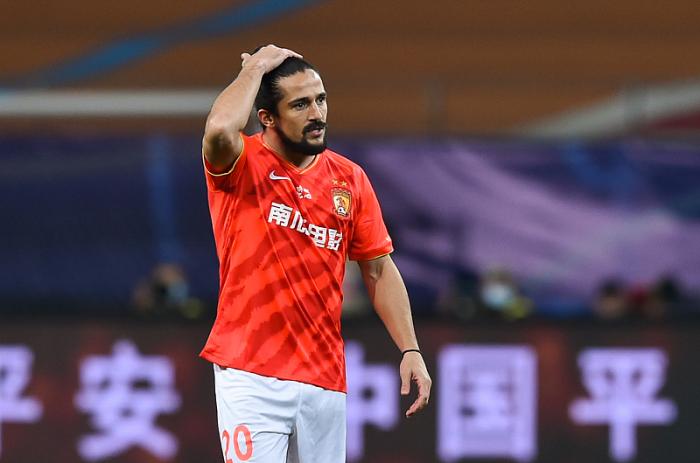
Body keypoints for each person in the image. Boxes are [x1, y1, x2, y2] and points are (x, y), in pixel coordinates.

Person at [199, 45, 431, 462]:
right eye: (300, 104)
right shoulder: (242, 163)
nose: (317, 114)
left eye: (321, 99)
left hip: (324, 378)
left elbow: (378, 270)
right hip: (250, 373)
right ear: (267, 117)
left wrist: (410, 348)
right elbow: (218, 129)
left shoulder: (349, 179)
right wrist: (256, 68)